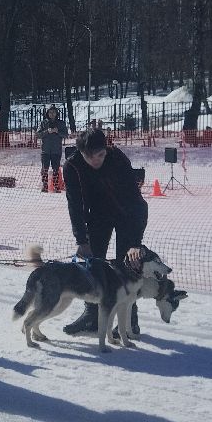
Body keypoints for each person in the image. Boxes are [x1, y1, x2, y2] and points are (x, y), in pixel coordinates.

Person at [61, 128, 149, 336]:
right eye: (88, 156)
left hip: (128, 213)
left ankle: (130, 320)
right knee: (92, 264)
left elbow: (135, 202)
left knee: (126, 266)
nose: (95, 161)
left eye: (99, 155)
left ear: (106, 149)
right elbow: (75, 205)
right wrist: (81, 240)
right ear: (80, 152)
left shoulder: (117, 158)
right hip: (99, 215)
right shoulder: (72, 166)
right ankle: (91, 314)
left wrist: (135, 243)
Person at [36, 105, 67, 192]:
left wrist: (58, 132)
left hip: (56, 150)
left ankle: (56, 186)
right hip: (45, 150)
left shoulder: (61, 123)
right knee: (44, 169)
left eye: (54, 112)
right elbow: (37, 135)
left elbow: (65, 134)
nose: (52, 114)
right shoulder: (43, 123)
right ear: (47, 113)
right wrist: (47, 132)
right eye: (50, 112)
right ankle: (45, 186)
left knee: (56, 169)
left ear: (56, 113)